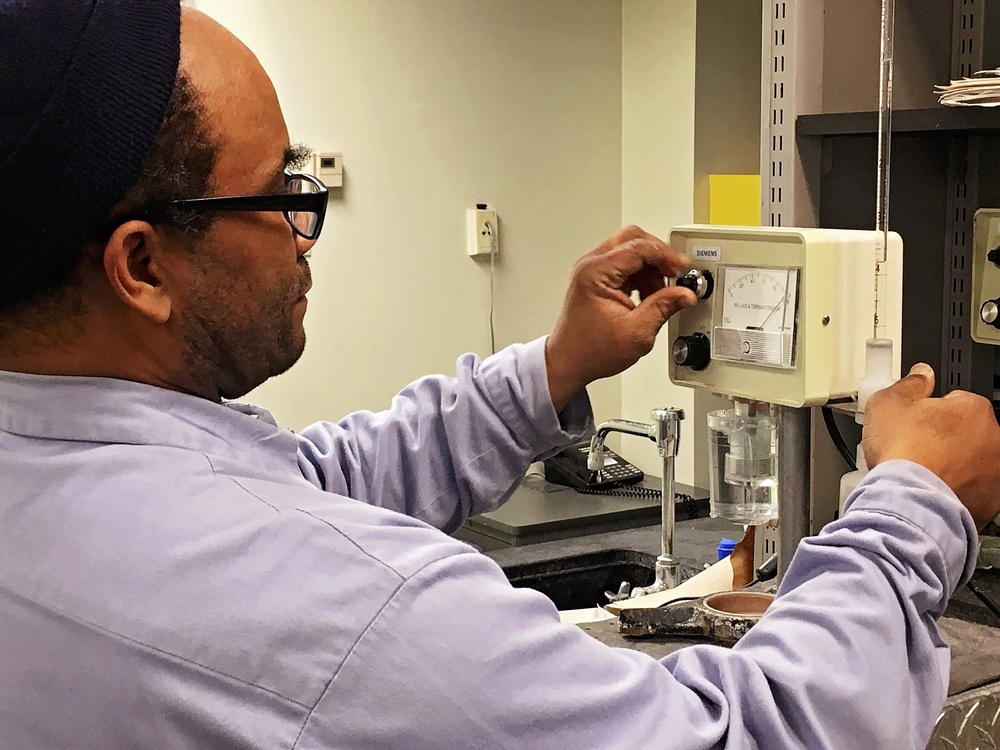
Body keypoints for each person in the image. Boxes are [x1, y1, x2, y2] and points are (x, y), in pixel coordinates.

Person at [1, 1, 998, 748]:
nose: (308, 237)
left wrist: (556, 367)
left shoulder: (57, 475)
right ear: (142, 266)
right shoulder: (348, 615)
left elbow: (302, 488)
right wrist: (915, 503)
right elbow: (754, 735)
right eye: (284, 193)